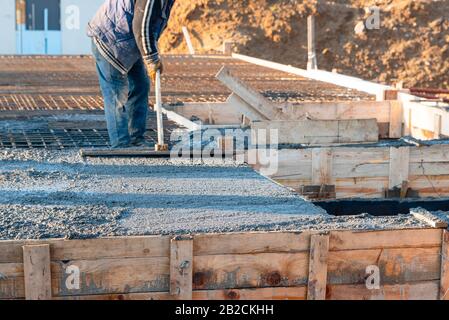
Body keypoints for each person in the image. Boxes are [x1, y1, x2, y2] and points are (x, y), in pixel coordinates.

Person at [87, 0, 176, 148]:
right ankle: (120, 144)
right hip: (109, 38)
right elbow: (141, 26)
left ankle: (136, 138)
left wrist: (150, 53)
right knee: (116, 93)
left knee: (140, 84)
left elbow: (152, 23)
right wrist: (151, 58)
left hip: (128, 40)